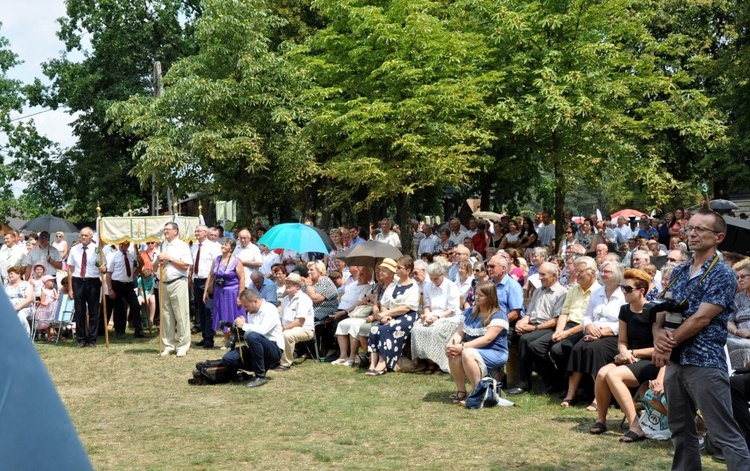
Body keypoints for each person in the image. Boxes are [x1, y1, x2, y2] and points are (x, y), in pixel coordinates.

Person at [653, 209, 750, 470]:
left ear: (719, 236)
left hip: (704, 361)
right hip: (676, 361)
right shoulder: (680, 270)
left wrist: (667, 342)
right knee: (680, 431)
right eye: (690, 228)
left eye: (700, 229)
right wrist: (658, 335)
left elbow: (701, 319)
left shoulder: (723, 273)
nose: (692, 233)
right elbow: (662, 307)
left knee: (723, 433)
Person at [589, 269, 662, 441]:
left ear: (641, 291)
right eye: (623, 287)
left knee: (613, 374)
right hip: (630, 358)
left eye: (628, 289)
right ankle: (601, 419)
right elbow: (622, 341)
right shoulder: (624, 310)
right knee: (601, 373)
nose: (624, 292)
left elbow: (659, 348)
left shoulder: (653, 311)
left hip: (651, 361)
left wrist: (631, 353)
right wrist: (623, 352)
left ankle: (635, 425)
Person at [561, 260, 626, 408]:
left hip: (613, 335)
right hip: (593, 332)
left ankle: (599, 397)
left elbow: (623, 321)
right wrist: (589, 326)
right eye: (602, 271)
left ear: (616, 274)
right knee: (578, 348)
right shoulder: (597, 292)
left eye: (607, 272)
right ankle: (571, 395)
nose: (602, 274)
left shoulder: (623, 294)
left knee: (594, 350)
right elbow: (587, 316)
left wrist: (603, 332)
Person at [508, 262, 567, 395]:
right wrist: (521, 323)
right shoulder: (538, 291)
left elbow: (556, 319)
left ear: (554, 276)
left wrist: (533, 328)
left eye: (542, 274)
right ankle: (503, 376)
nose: (539, 277)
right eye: (539, 274)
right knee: (509, 335)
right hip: (533, 325)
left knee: (526, 340)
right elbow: (529, 313)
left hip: (547, 327)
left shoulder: (561, 293)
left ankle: (522, 384)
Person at [446, 281, 509, 404]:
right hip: (472, 350)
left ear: (490, 297)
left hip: (496, 352)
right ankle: (461, 391)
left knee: (467, 353)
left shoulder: (499, 315)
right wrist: (451, 345)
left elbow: (488, 339)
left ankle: (477, 394)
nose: (476, 297)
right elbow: (459, 332)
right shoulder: (470, 312)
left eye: (481, 295)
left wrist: (463, 346)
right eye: (476, 294)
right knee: (454, 353)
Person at [366, 256, 420, 375]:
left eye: (399, 268)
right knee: (375, 328)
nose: (397, 270)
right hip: (391, 315)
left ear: (408, 270)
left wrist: (387, 313)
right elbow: (384, 303)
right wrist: (385, 315)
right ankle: (372, 363)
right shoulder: (392, 286)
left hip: (407, 317)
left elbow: (406, 307)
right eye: (396, 267)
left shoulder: (413, 287)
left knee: (386, 329)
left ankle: (383, 362)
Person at [220, 289, 284, 388]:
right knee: (227, 359)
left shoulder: (270, 309)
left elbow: (262, 330)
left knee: (253, 336)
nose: (245, 309)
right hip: (256, 348)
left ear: (255, 301)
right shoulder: (251, 312)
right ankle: (243, 375)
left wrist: (244, 325)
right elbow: (248, 334)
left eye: (246, 306)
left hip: (274, 350)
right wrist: (237, 329)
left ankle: (260, 376)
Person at [410, 263, 461, 373]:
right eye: (432, 278)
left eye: (436, 278)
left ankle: (438, 363)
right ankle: (427, 362)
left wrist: (437, 317)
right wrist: (426, 315)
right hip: (433, 315)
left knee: (436, 331)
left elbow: (451, 310)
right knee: (417, 329)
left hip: (449, 317)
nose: (434, 281)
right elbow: (427, 306)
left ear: (442, 275)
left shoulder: (451, 286)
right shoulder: (428, 285)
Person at [153, 222, 193, 357]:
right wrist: (157, 261)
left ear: (176, 231)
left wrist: (169, 258)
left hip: (178, 282)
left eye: (168, 229)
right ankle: (168, 345)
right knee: (166, 316)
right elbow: (154, 269)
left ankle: (183, 345)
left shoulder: (182, 246)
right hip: (163, 283)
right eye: (164, 229)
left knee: (181, 314)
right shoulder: (162, 246)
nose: (165, 232)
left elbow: (186, 265)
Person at [66, 227, 107, 348]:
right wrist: (70, 288)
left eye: (86, 235)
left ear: (91, 237)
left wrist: (103, 269)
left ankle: (92, 339)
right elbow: (70, 269)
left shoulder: (97, 250)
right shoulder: (74, 249)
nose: (83, 237)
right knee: (79, 311)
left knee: (93, 311)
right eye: (82, 235)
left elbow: (103, 267)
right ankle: (81, 339)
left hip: (93, 281)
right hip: (78, 281)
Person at [204, 238, 245, 349]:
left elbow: (242, 279)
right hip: (218, 291)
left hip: (232, 292)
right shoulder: (216, 259)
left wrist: (240, 296)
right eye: (223, 244)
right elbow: (210, 275)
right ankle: (226, 339)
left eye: (226, 244)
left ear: (231, 248)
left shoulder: (236, 261)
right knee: (221, 314)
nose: (223, 246)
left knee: (231, 315)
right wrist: (206, 290)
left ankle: (232, 339)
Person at [332, 266, 375, 366]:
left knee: (350, 325)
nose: (359, 276)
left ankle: (351, 357)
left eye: (363, 274)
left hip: (355, 313)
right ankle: (343, 356)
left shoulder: (368, 288)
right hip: (344, 310)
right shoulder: (353, 285)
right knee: (340, 324)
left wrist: (343, 312)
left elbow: (360, 303)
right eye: (359, 274)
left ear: (369, 278)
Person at [105, 241, 146, 340]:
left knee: (135, 305)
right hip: (117, 284)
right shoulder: (113, 256)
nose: (123, 246)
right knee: (119, 308)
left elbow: (136, 271)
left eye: (125, 244)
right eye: (121, 244)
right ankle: (120, 331)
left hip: (128, 285)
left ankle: (138, 330)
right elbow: (108, 274)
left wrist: (141, 263)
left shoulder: (131, 256)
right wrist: (110, 288)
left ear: (128, 245)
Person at [190, 224, 222, 345]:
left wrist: (211, 283)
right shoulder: (194, 246)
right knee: (200, 309)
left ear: (205, 233)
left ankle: (209, 337)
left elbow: (217, 266)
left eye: (199, 231)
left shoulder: (213, 247)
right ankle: (204, 336)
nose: (196, 233)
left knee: (209, 309)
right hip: (197, 280)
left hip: (209, 281)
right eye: (196, 231)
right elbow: (192, 264)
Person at [277, 273, 315, 370]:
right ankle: (275, 359)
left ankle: (285, 364)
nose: (288, 285)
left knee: (287, 334)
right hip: (287, 328)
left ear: (298, 286)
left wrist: (284, 328)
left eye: (291, 283)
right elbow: (281, 318)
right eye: (287, 283)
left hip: (305, 329)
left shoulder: (304, 299)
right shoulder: (285, 299)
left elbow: (300, 321)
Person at [727, 259, 750, 369]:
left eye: (743, 276)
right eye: (737, 277)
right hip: (737, 337)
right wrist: (736, 331)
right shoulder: (738, 297)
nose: (740, 280)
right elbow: (730, 320)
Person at [4, 266, 34, 336]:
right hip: (8, 309)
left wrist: (17, 307)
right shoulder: (5, 286)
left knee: (20, 316)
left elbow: (30, 299)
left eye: (12, 273)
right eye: (9, 274)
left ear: (18, 274)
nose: (10, 275)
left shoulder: (26, 284)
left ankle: (25, 338)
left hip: (25, 308)